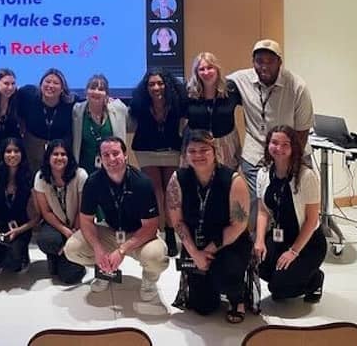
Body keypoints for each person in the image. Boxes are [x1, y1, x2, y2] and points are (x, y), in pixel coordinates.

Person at [64, 137, 169, 302]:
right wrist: (98, 249)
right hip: (110, 229)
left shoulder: (142, 183)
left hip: (139, 234)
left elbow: (151, 226)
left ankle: (149, 280)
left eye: (115, 153)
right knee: (72, 248)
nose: (111, 159)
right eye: (106, 155)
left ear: (125, 155)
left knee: (156, 257)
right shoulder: (93, 182)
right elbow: (86, 220)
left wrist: (122, 250)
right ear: (100, 158)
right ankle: (104, 270)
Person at [166, 129, 252, 323]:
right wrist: (195, 254)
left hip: (229, 243)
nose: (198, 155)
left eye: (204, 150)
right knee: (203, 307)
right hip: (195, 243)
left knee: (226, 272)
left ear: (214, 151)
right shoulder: (178, 179)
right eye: (192, 151)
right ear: (185, 154)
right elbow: (177, 222)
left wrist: (209, 251)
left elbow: (238, 226)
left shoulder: (233, 180)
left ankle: (237, 298)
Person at [228, 39, 314, 213]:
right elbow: (214, 82)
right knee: (259, 205)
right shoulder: (241, 79)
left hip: (291, 150)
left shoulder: (297, 86)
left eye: (270, 61)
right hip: (256, 153)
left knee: (293, 206)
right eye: (259, 61)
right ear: (253, 62)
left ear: (280, 62)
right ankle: (260, 231)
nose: (264, 67)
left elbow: (302, 131)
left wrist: (289, 163)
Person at [255, 125, 326, 303]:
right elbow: (262, 211)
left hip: (308, 242)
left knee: (279, 288)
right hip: (280, 236)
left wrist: (293, 252)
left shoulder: (306, 176)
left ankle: (315, 280)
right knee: (258, 264)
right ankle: (288, 279)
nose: (278, 148)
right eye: (274, 143)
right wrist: (259, 240)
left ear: (294, 147)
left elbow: (311, 220)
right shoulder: (263, 173)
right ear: (268, 145)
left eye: (285, 144)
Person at [129, 68, 187, 256]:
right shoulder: (139, 104)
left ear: (167, 84)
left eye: (160, 83)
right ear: (146, 87)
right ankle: (158, 232)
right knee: (156, 192)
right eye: (151, 84)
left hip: (171, 149)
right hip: (146, 151)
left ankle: (170, 232)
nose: (156, 87)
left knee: (171, 191)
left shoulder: (177, 103)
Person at [0, 137, 39, 274]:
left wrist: (19, 230)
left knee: (12, 264)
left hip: (21, 226)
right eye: (8, 151)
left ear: (22, 154)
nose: (12, 155)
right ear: (2, 154)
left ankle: (20, 254)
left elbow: (36, 217)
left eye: (16, 151)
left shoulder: (30, 178)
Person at [34, 139, 88, 284]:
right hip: (56, 224)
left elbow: (83, 210)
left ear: (69, 157)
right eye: (55, 154)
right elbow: (46, 212)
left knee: (69, 277)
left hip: (79, 224)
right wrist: (65, 231)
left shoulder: (80, 175)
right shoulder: (40, 177)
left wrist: (74, 233)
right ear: (48, 157)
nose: (59, 157)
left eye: (63, 154)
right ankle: (59, 254)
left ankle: (66, 255)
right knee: (46, 240)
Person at [186, 52, 243, 170]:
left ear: (217, 69)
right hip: (197, 146)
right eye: (201, 69)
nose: (206, 72)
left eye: (210, 67)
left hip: (226, 144)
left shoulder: (231, 90)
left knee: (226, 178)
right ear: (196, 72)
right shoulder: (188, 93)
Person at [17, 68, 77, 172]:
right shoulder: (28, 95)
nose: (50, 86)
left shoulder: (71, 102)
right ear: (40, 85)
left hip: (60, 154)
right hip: (32, 151)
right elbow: (10, 91)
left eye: (56, 83)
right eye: (47, 81)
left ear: (62, 89)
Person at [71, 74, 128, 175]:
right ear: (86, 92)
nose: (96, 92)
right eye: (92, 88)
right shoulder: (77, 111)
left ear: (106, 94)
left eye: (101, 89)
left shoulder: (119, 109)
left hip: (113, 168)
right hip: (84, 170)